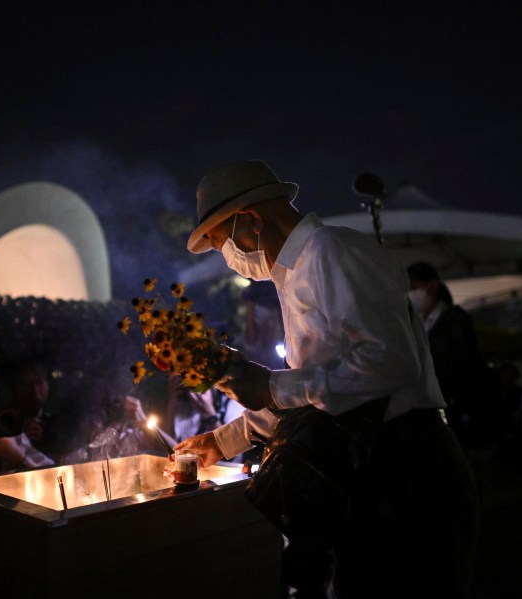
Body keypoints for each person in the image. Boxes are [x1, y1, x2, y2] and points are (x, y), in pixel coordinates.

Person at [176, 160, 478, 598]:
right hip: (368, 469)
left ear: (251, 220)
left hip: (407, 469)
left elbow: (389, 362)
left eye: (224, 241)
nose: (230, 258)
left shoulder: (330, 250)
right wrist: (223, 442)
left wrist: (270, 386)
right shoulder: (293, 273)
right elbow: (318, 389)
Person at [406, 262, 502, 452]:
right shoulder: (419, 324)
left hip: (460, 405)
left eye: (412, 288)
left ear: (431, 287)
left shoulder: (454, 319)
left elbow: (462, 363)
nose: (409, 295)